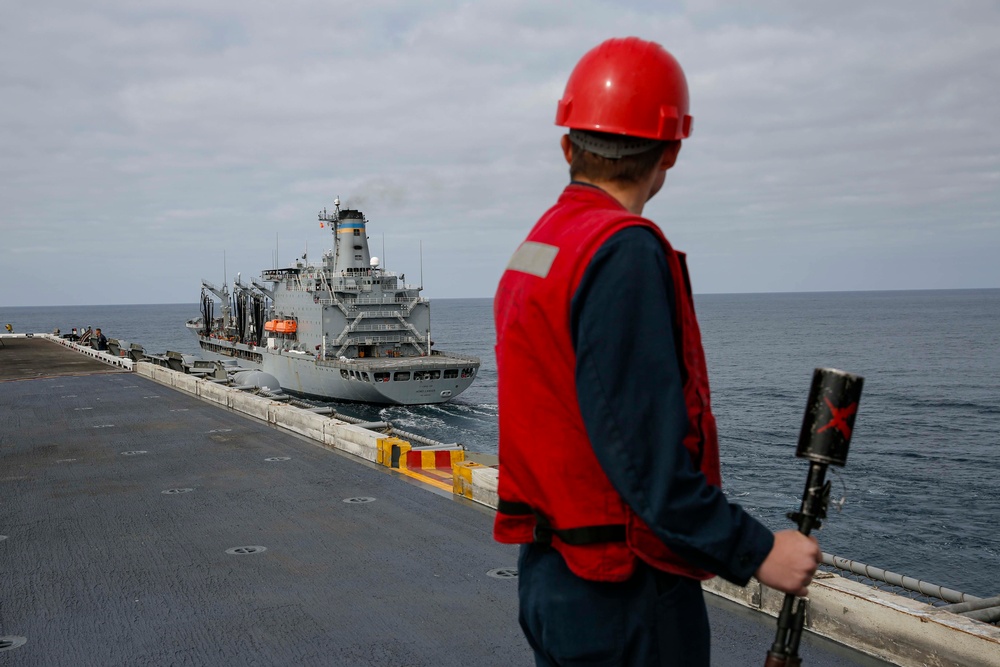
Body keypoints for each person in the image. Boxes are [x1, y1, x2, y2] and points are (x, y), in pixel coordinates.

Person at [492, 37, 821, 666]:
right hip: (623, 594)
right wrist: (757, 551)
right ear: (670, 152)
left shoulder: (540, 246)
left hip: (549, 575)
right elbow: (644, 460)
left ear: (567, 145)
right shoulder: (622, 250)